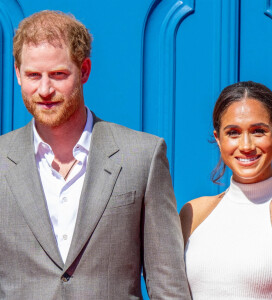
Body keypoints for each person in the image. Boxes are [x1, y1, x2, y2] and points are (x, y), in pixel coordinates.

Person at [0, 10, 191, 299]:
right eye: (33, 75)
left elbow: (168, 284)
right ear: (17, 73)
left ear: (85, 70)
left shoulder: (142, 155)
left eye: (58, 74)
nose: (44, 89)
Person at [180, 81, 272, 299]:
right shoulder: (193, 213)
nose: (246, 146)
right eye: (233, 133)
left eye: (258, 131)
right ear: (218, 139)